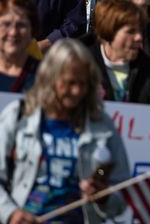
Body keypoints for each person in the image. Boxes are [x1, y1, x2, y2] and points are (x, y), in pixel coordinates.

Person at [0, 39, 130, 223]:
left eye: (82, 84)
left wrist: (104, 197)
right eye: (69, 83)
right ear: (49, 78)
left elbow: (124, 192)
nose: (76, 91)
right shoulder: (18, 116)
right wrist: (11, 213)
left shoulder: (101, 124)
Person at [86, 0, 150, 105]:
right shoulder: (80, 68)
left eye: (140, 30)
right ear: (108, 31)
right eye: (131, 31)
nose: (139, 37)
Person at [0, 0, 40, 93]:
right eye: (6, 24)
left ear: (32, 30)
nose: (13, 32)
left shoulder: (46, 76)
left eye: (21, 25)